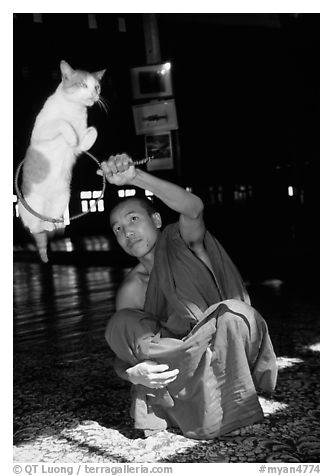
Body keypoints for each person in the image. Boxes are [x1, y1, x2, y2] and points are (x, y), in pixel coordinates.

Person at [101, 153, 277, 439]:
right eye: (118, 229)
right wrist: (134, 373)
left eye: (134, 219)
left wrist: (134, 177)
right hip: (180, 367)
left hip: (226, 345)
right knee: (121, 322)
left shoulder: (184, 242)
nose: (128, 232)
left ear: (156, 219)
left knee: (232, 313)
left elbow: (193, 208)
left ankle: (221, 403)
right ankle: (193, 400)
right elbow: (130, 350)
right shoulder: (131, 288)